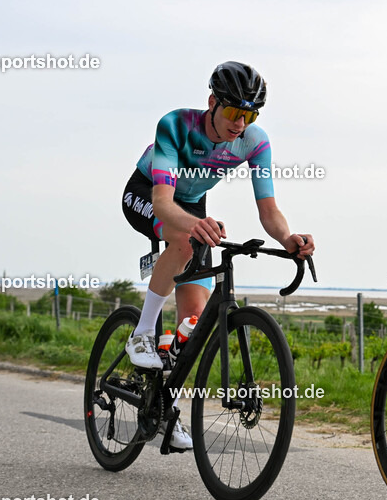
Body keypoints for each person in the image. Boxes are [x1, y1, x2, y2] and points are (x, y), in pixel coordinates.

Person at [122, 61, 315, 449]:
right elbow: (162, 204)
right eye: (232, 111)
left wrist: (288, 237)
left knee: (193, 322)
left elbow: (268, 210)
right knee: (184, 241)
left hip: (191, 204)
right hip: (147, 195)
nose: (240, 122)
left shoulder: (255, 142)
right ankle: (141, 334)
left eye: (250, 113)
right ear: (213, 102)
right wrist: (192, 226)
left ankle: (164, 405)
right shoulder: (175, 125)